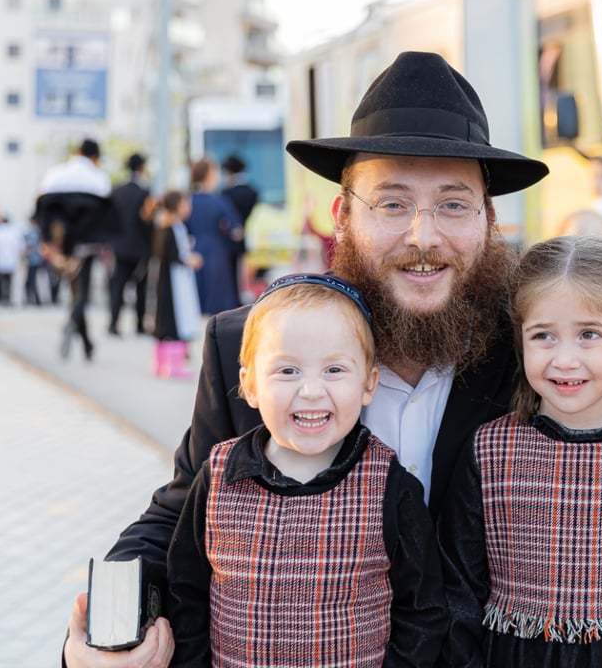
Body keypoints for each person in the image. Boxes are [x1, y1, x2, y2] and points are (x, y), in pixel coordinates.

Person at [62, 51, 602, 668]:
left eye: (453, 204)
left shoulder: (542, 348)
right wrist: (101, 636)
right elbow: (180, 515)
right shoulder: (255, 350)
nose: (422, 236)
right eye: (392, 202)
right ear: (343, 220)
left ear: (490, 225)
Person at [165, 274, 447, 667]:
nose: (312, 390)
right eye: (287, 371)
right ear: (249, 386)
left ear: (369, 383)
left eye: (334, 370)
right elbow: (186, 595)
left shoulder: (390, 485)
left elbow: (422, 609)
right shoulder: (217, 477)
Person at [440, 235, 602, 667]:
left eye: (589, 334)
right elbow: (459, 585)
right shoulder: (490, 449)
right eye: (544, 336)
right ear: (521, 340)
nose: (565, 359)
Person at [36, 138, 113, 362]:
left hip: (59, 245)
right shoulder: (100, 179)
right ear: (95, 157)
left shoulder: (54, 174)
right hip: (86, 245)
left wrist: (46, 240)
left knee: (73, 292)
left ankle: (86, 341)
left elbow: (41, 208)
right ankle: (74, 325)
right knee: (82, 293)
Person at [151, 191, 203, 379]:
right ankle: (173, 366)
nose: (188, 208)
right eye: (185, 204)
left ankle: (161, 363)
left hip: (170, 281)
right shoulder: (171, 227)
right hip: (174, 283)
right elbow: (173, 255)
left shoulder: (164, 225)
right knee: (174, 318)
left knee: (165, 319)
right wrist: (190, 260)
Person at [185, 157, 243, 316]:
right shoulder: (219, 201)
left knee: (197, 297)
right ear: (209, 175)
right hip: (216, 252)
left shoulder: (188, 200)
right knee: (218, 301)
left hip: (194, 250)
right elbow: (236, 230)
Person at [108, 153, 154, 337]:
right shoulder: (144, 193)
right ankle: (140, 325)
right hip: (140, 248)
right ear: (141, 167)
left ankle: (113, 323)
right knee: (141, 287)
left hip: (119, 246)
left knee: (118, 285)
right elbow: (147, 221)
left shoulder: (116, 191)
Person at [220, 153, 259, 302]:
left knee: (230, 274)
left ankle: (234, 300)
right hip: (247, 238)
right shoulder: (253, 192)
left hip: (228, 239)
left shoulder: (226, 193)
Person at [0, 215, 25, 307]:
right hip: (11, 260)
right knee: (8, 281)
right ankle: (7, 298)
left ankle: (0, 297)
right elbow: (21, 247)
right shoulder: (15, 231)